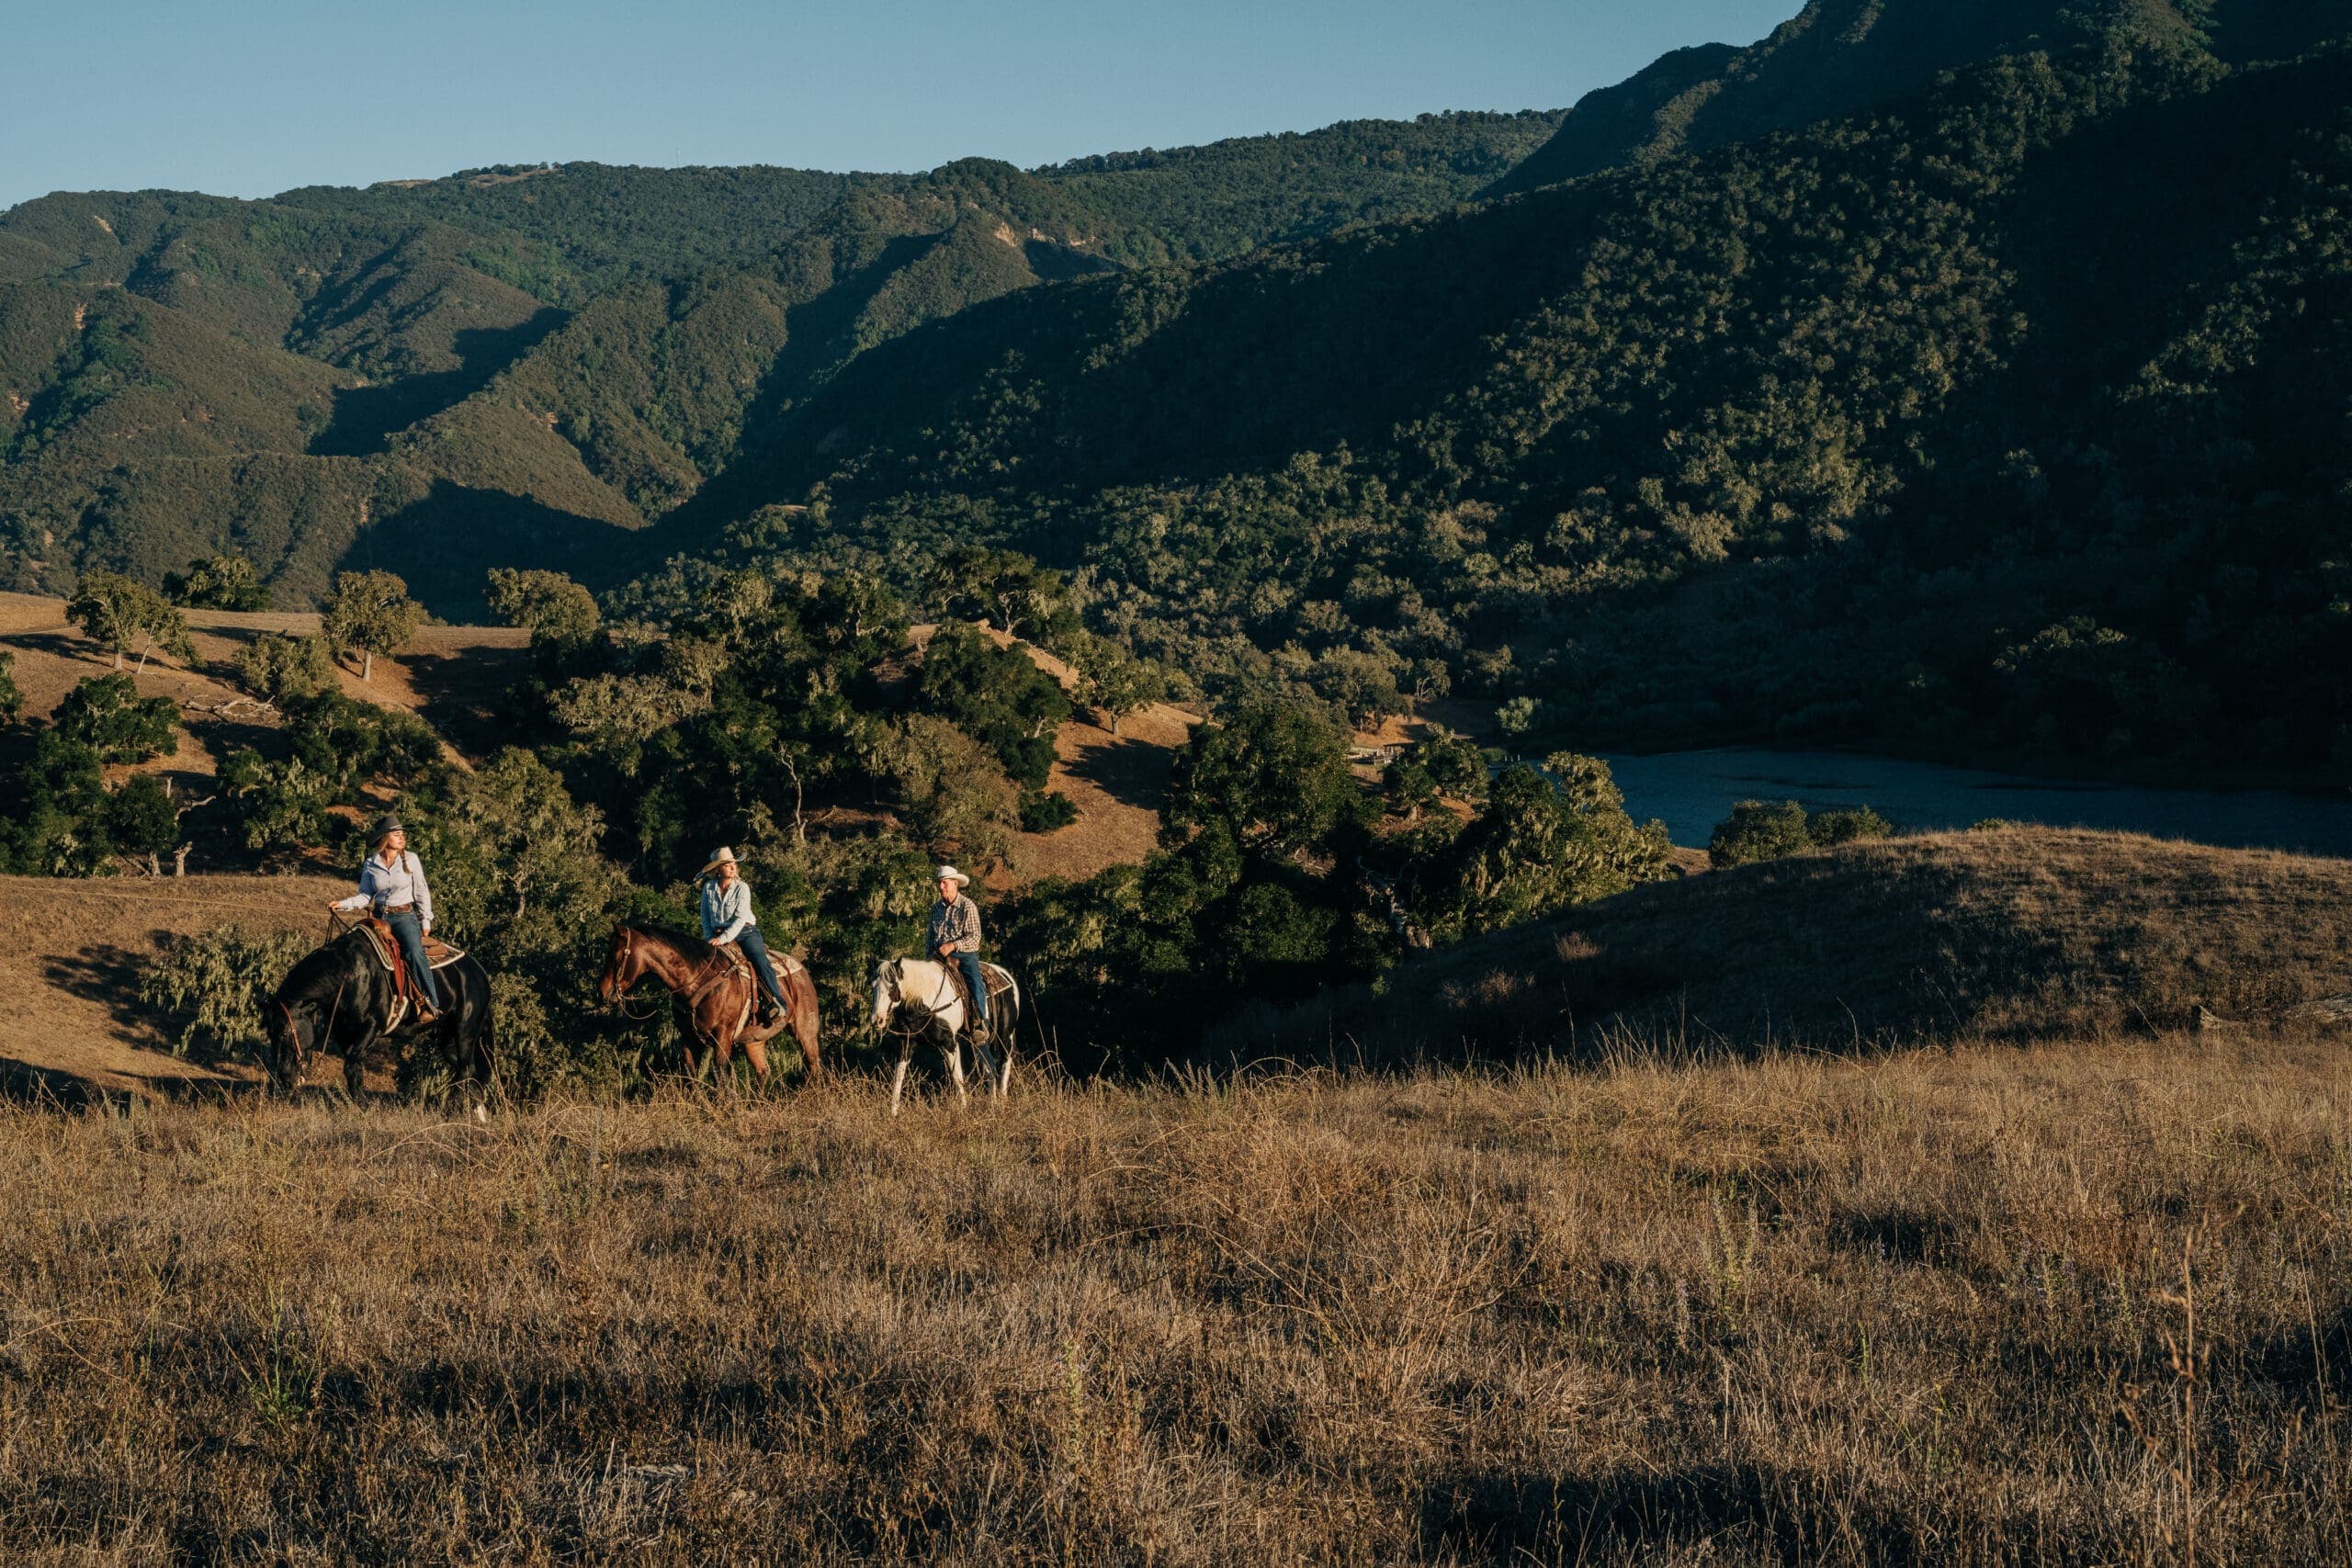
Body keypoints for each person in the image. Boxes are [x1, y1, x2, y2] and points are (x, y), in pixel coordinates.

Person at [330, 815, 443, 1020]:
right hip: (379, 917)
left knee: (414, 952)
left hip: (404, 917)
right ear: (385, 838)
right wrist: (343, 904)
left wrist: (426, 920)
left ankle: (430, 1003)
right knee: (356, 950)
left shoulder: (411, 859)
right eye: (396, 834)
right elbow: (365, 895)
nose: (401, 838)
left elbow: (422, 892)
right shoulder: (371, 863)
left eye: (402, 834)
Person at [698, 847, 787, 1027]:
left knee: (759, 959)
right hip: (716, 934)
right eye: (727, 865)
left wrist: (722, 939)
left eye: (734, 864)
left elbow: (740, 919)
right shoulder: (709, 888)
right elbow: (705, 916)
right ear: (718, 870)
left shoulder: (742, 888)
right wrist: (709, 937)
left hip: (744, 932)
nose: (733, 867)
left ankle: (777, 1002)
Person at [927, 864, 989, 1042]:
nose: (941, 887)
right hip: (939, 954)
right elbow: (930, 937)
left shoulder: (967, 906)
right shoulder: (936, 908)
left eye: (945, 883)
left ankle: (979, 1022)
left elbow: (975, 937)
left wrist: (954, 945)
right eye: (939, 883)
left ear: (955, 883)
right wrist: (928, 958)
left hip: (964, 954)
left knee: (974, 982)